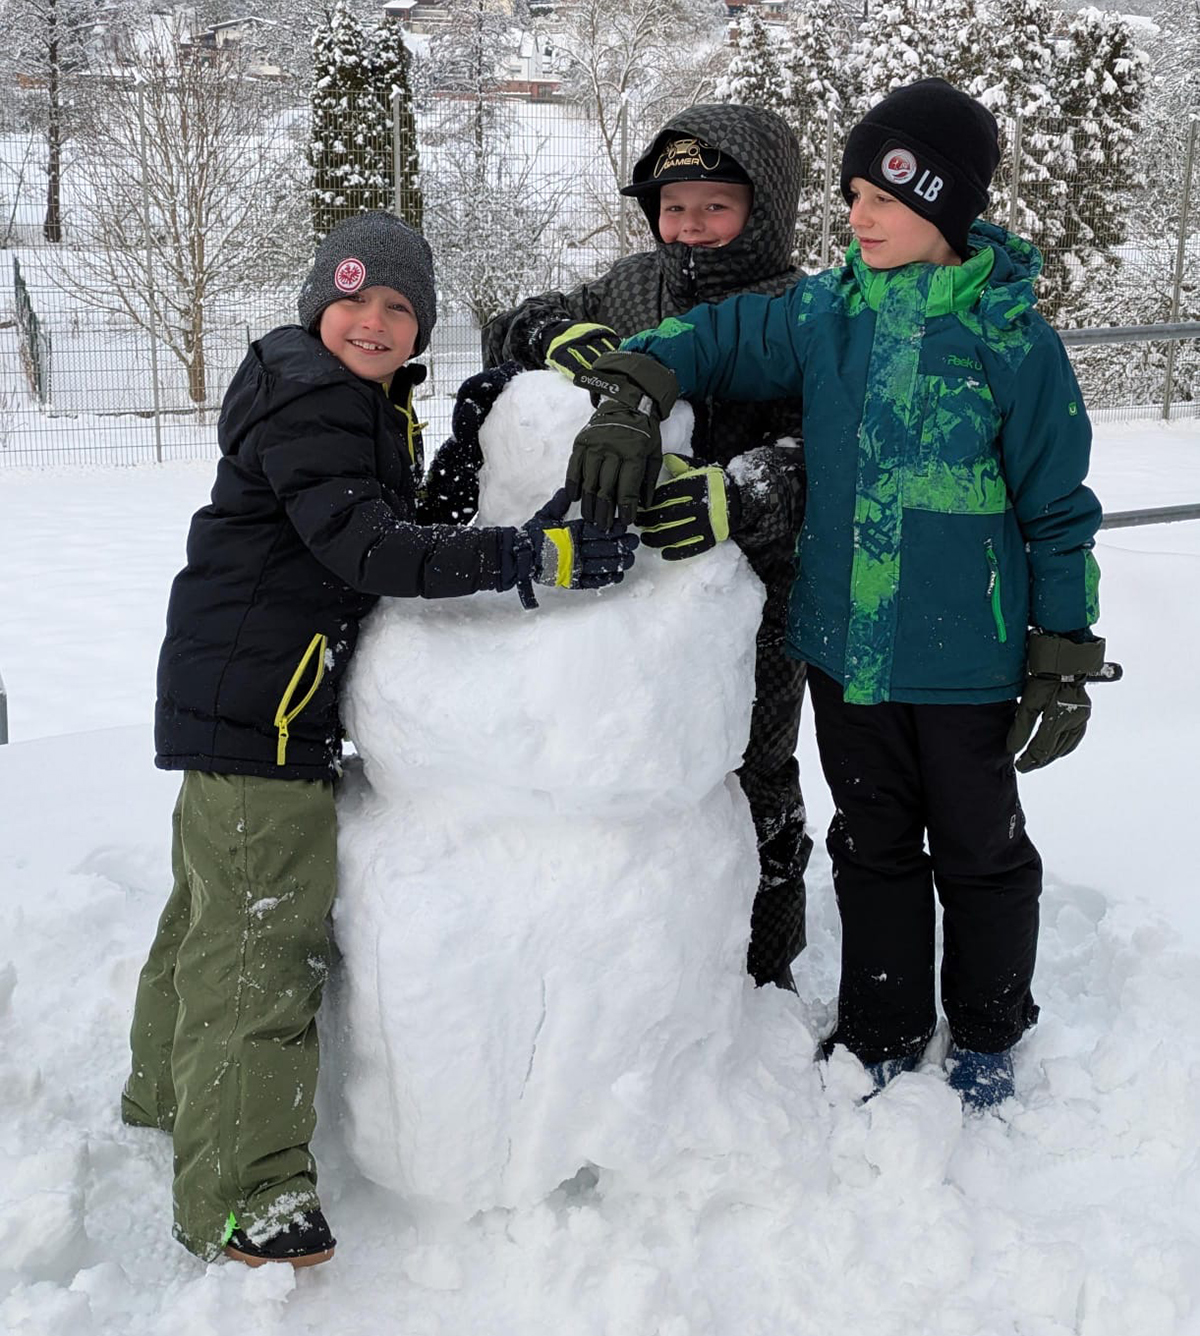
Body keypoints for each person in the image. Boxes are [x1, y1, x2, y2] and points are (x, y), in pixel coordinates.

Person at [564, 79, 1119, 1110]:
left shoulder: (1012, 344)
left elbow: (1057, 507)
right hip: (844, 652)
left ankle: (991, 1027)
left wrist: (1065, 646)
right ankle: (883, 1024)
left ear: (942, 206)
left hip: (968, 662)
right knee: (871, 847)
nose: (855, 215)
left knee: (980, 851)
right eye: (852, 192)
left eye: (881, 197)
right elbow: (715, 337)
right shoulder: (825, 313)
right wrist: (640, 388)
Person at [119, 211, 638, 1268]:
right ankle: (242, 1194)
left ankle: (169, 1095)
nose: (373, 319)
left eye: (398, 306)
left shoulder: (344, 404)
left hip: (240, 699)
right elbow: (367, 546)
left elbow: (386, 515)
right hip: (263, 711)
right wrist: (533, 555)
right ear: (319, 307)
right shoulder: (315, 398)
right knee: (262, 947)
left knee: (213, 916)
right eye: (353, 299)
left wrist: (461, 446)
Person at [449, 104, 812, 992]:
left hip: (759, 592)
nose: (688, 226)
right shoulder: (629, 287)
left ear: (762, 211)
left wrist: (744, 495)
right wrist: (554, 334)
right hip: (632, 594)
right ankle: (644, 948)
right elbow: (513, 322)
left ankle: (765, 962)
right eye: (672, 206)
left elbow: (829, 451)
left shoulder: (805, 310)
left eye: (713, 206)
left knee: (755, 767)